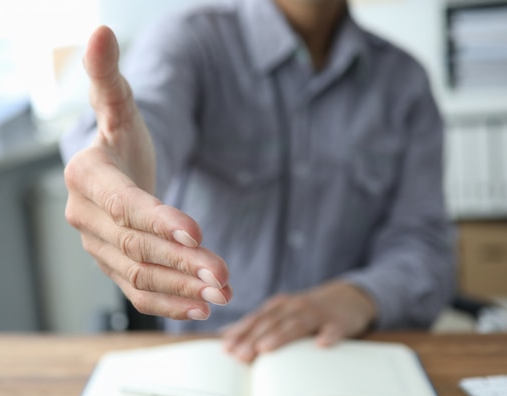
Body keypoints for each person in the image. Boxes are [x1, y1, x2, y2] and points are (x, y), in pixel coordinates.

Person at [60, 0, 455, 363]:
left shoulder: (405, 82)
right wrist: (117, 167)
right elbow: (143, 118)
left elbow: (425, 246)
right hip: (212, 355)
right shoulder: (192, 39)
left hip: (347, 353)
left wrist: (361, 296)